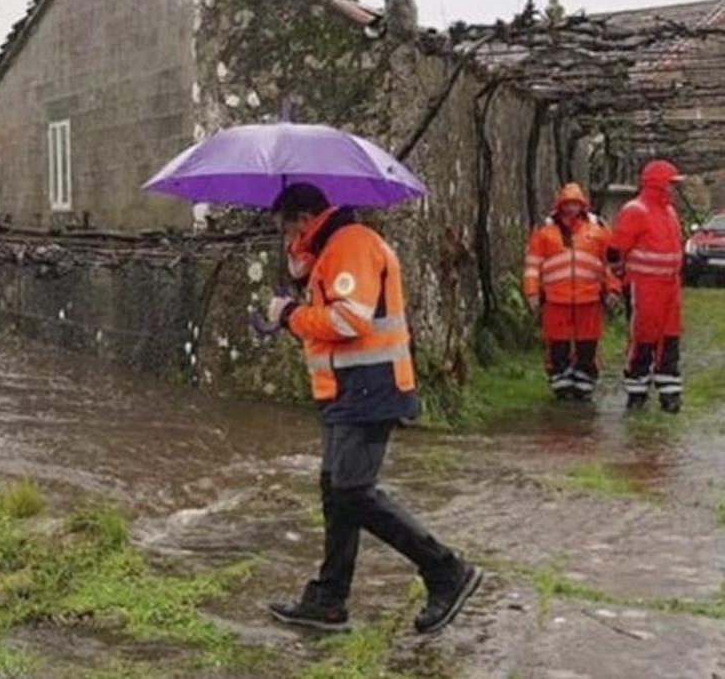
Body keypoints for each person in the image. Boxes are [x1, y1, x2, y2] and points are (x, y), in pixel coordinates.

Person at [264, 184, 482, 635]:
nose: (285, 239)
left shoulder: (352, 244)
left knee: (352, 494)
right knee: (335, 492)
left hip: (369, 390)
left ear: (304, 219)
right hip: (346, 392)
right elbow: (331, 316)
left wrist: (290, 315)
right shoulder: (332, 250)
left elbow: (348, 320)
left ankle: (445, 570)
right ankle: (328, 599)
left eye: (286, 228)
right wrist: (298, 290)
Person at [523, 183, 621, 401]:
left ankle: (584, 383)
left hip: (590, 299)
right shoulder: (545, 233)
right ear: (560, 205)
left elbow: (609, 265)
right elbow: (532, 265)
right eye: (567, 204)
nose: (571, 209)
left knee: (588, 344)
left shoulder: (599, 231)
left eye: (575, 204)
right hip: (556, 300)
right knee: (557, 345)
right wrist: (532, 293)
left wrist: (613, 289)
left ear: (582, 206)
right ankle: (561, 383)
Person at [607, 160, 686, 413]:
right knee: (643, 337)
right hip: (644, 287)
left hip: (669, 286)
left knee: (669, 337)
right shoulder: (636, 210)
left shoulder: (669, 211)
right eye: (671, 184)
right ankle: (637, 391)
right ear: (658, 183)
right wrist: (619, 280)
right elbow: (615, 249)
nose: (674, 189)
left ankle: (669, 392)